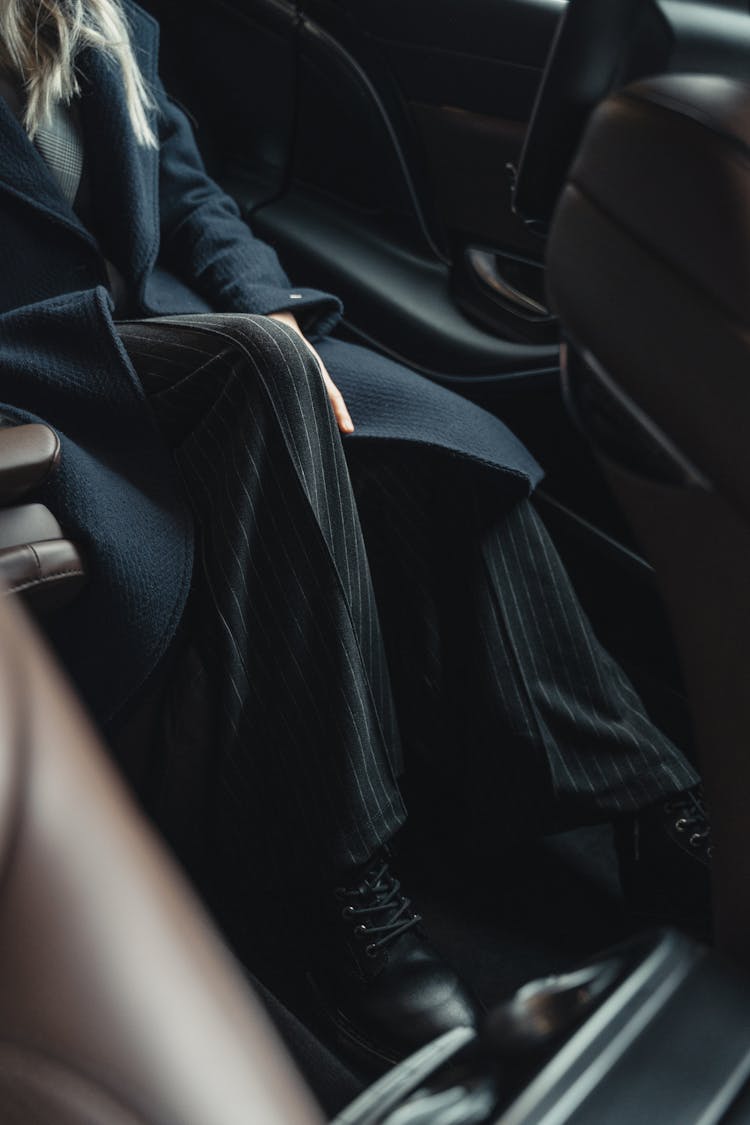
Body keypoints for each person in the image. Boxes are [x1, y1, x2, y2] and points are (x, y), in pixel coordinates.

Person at [0, 0, 709, 1069]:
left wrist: (269, 306)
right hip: (40, 375)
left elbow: (188, 191)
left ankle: (651, 807)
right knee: (262, 373)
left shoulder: (101, 10)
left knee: (432, 438)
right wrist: (257, 347)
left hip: (173, 332)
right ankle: (333, 894)